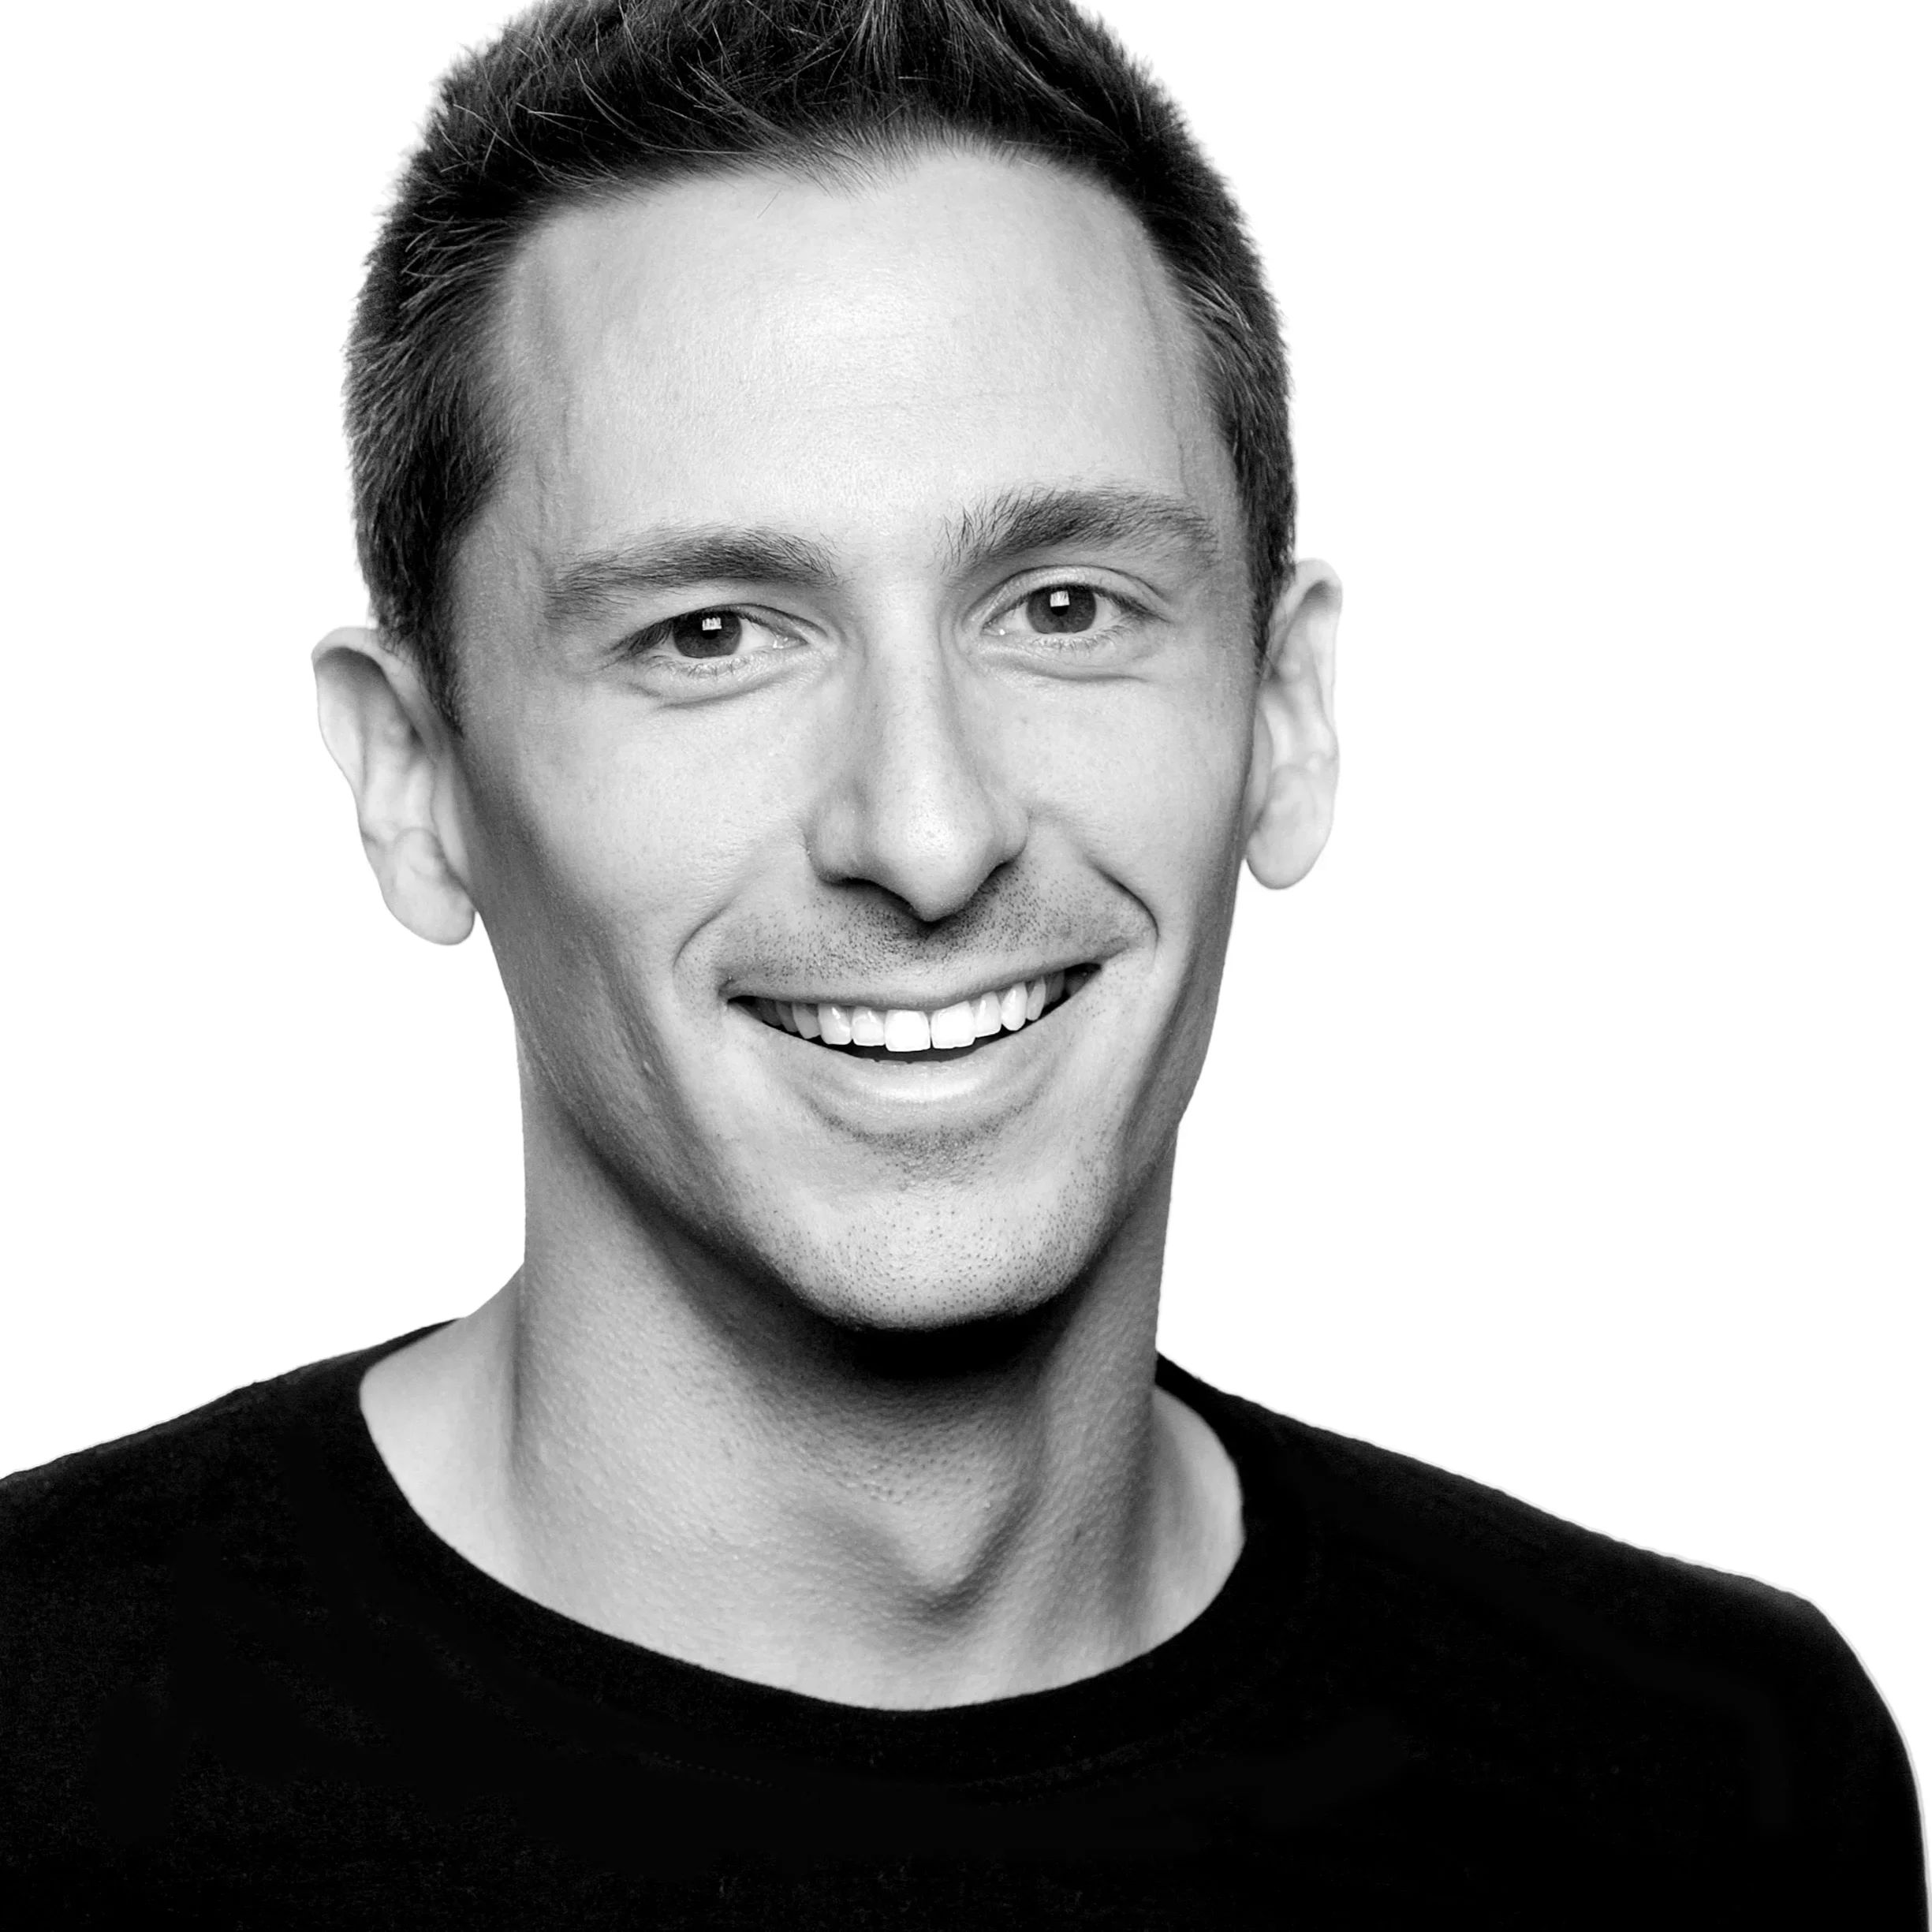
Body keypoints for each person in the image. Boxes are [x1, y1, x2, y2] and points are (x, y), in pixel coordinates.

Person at [0, 0, 1921, 1921]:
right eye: (710, 634)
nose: (925, 832)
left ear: (1286, 712)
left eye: (1063, 605)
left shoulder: (1709, 1796)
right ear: (415, 781)